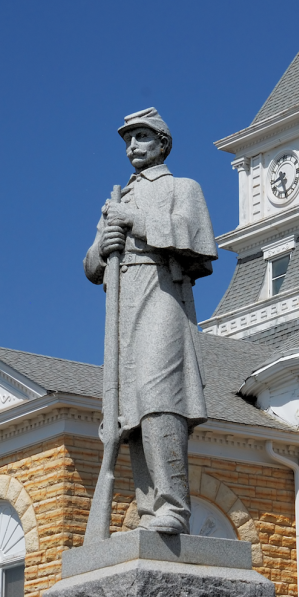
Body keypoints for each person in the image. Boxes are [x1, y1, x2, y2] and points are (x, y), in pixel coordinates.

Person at [84, 107, 217, 534]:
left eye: (141, 137)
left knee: (160, 396)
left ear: (162, 143)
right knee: (131, 409)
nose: (132, 146)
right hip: (122, 301)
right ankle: (148, 509)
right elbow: (89, 265)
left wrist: (135, 222)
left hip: (163, 290)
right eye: (127, 139)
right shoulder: (117, 199)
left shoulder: (183, 187)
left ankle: (174, 506)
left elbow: (196, 239)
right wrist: (104, 245)